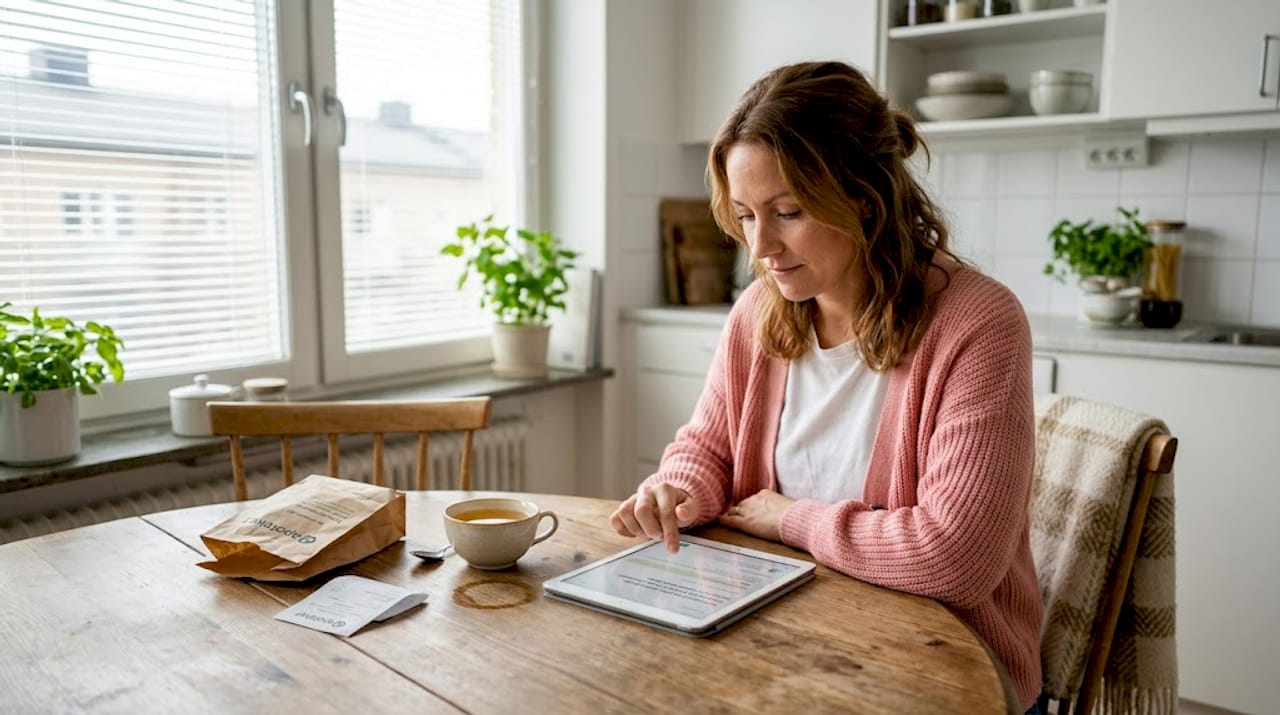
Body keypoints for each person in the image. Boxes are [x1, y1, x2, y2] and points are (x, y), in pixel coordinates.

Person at [609, 61, 1044, 713]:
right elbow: (708, 446)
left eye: (787, 212)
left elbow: (955, 559)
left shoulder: (977, 322)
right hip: (792, 641)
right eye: (747, 216)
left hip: (951, 672)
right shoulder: (757, 312)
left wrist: (791, 518)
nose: (762, 247)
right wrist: (678, 489)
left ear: (866, 200)